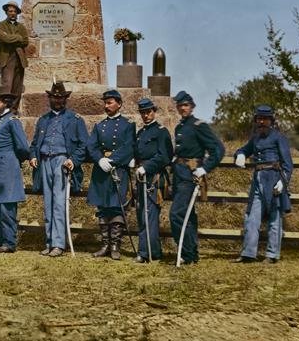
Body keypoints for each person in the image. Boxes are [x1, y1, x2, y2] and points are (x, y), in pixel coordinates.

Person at [29, 81, 88, 257]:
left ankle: (58, 244)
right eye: (54, 97)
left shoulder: (75, 120)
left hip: (62, 162)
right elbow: (34, 145)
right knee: (48, 203)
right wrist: (33, 156)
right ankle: (48, 242)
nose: (57, 101)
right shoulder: (43, 120)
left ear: (65, 99)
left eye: (61, 98)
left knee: (59, 203)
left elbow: (84, 145)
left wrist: (73, 160)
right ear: (49, 99)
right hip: (45, 162)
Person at [170, 90, 225, 265]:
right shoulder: (180, 127)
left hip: (191, 176)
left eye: (185, 105)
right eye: (179, 106)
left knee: (176, 214)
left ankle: (185, 252)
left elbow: (218, 149)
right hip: (178, 174)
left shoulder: (199, 125)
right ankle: (191, 254)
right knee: (188, 215)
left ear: (192, 106)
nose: (182, 108)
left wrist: (205, 168)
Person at [233, 105, 293, 264]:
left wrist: (283, 182)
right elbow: (243, 149)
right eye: (259, 119)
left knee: (275, 218)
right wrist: (240, 155)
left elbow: (288, 164)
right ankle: (248, 253)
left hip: (273, 180)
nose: (261, 122)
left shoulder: (279, 137)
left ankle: (272, 255)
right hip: (258, 180)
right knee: (252, 217)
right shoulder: (256, 138)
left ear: (271, 121)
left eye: (265, 119)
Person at [86, 89, 135, 260]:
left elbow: (129, 147)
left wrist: (112, 161)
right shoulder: (99, 126)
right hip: (101, 171)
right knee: (102, 207)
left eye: (110, 103)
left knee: (116, 207)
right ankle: (105, 244)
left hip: (118, 170)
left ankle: (115, 246)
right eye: (105, 103)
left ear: (119, 104)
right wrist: (100, 160)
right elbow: (91, 146)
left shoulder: (128, 125)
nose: (106, 106)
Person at [0, 85, 30, 253]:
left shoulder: (12, 121)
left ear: (5, 103)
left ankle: (9, 243)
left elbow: (23, 147)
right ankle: (0, 241)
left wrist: (14, 162)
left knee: (6, 208)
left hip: (7, 168)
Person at [132, 98, 173, 263]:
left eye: (148, 112)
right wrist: (133, 162)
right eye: (143, 113)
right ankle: (154, 251)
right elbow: (137, 153)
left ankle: (144, 252)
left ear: (154, 112)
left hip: (154, 178)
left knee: (149, 215)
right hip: (140, 177)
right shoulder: (140, 133)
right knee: (142, 214)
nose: (146, 115)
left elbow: (165, 156)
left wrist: (147, 167)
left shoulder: (161, 132)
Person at [0, 0, 29, 112]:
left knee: (17, 87)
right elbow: (3, 38)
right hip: (7, 58)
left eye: (14, 11)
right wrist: (17, 38)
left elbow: (25, 41)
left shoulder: (21, 27)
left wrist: (13, 38)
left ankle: (14, 110)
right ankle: (5, 110)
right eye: (10, 11)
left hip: (20, 59)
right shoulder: (1, 25)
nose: (12, 13)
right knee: (7, 86)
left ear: (17, 13)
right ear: (6, 12)